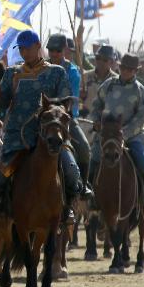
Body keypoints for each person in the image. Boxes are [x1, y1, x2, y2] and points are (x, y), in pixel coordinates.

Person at [0, 30, 92, 222]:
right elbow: (2, 105)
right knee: (2, 169)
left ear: (37, 46)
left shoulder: (56, 72)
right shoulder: (12, 73)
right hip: (18, 132)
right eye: (22, 49)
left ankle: (68, 207)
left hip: (50, 131)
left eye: (29, 48)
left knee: (70, 168)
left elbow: (64, 100)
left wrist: (50, 110)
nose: (25, 53)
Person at [89, 53, 144, 209]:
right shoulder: (108, 85)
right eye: (123, 68)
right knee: (94, 157)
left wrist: (122, 133)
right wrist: (97, 121)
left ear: (135, 71)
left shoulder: (141, 91)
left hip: (132, 136)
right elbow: (96, 106)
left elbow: (139, 119)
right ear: (118, 67)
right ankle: (89, 193)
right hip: (106, 134)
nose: (126, 71)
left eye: (130, 69)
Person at [46, 33, 92, 187]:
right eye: (51, 50)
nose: (54, 54)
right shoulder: (41, 68)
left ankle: (83, 187)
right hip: (43, 118)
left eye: (57, 51)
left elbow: (68, 100)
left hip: (66, 119)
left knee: (85, 148)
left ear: (65, 50)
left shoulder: (72, 72)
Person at [80, 45, 117, 116]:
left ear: (111, 62)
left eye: (105, 60)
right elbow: (77, 102)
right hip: (86, 120)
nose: (100, 62)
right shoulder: (85, 76)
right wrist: (81, 97)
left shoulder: (116, 81)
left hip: (106, 122)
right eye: (98, 58)